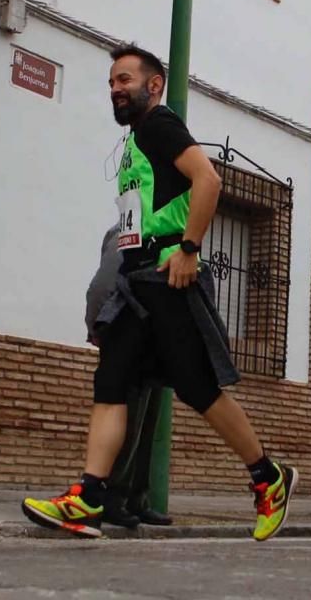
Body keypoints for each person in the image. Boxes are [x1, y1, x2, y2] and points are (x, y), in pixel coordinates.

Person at [22, 45, 297, 541]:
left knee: (199, 389)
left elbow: (209, 179)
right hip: (136, 280)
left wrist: (189, 248)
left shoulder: (158, 125)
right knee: (110, 382)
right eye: (110, 82)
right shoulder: (135, 139)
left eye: (123, 79)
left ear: (153, 85)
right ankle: (87, 498)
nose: (114, 89)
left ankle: (268, 477)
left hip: (167, 274)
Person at [84, 224, 172, 530]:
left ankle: (137, 498)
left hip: (155, 338)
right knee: (129, 421)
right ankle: (111, 498)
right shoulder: (128, 230)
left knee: (148, 424)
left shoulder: (171, 231)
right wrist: (95, 326)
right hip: (127, 333)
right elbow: (102, 284)